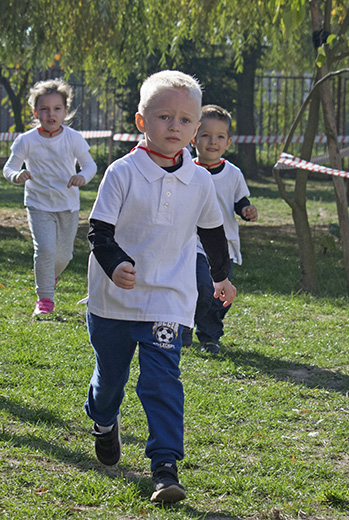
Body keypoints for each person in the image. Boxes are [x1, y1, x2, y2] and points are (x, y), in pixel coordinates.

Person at [84, 71, 236, 504]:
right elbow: (98, 232)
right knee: (110, 379)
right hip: (113, 298)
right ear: (141, 121)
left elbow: (211, 234)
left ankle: (165, 467)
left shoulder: (200, 180)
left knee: (162, 380)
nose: (175, 127)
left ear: (196, 128)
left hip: (169, 297)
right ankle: (102, 418)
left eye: (186, 120)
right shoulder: (122, 172)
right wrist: (116, 267)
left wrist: (222, 277)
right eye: (164, 116)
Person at [3, 79, 97, 316]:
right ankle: (44, 300)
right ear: (35, 112)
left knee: (64, 255)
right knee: (45, 250)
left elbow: (90, 166)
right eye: (44, 109)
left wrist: (82, 177)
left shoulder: (73, 138)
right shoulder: (26, 140)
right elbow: (9, 168)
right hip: (38, 204)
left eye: (57, 109)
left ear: (65, 112)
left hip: (67, 205)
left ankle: (50, 276)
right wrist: (17, 175)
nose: (50, 114)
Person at [182, 105, 257, 353]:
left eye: (220, 137)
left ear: (228, 142)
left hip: (225, 244)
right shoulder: (186, 171)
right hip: (193, 243)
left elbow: (240, 201)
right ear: (193, 138)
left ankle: (210, 336)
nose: (212, 142)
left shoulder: (234, 174)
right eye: (205, 135)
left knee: (220, 295)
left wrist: (246, 210)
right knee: (203, 286)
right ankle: (184, 328)